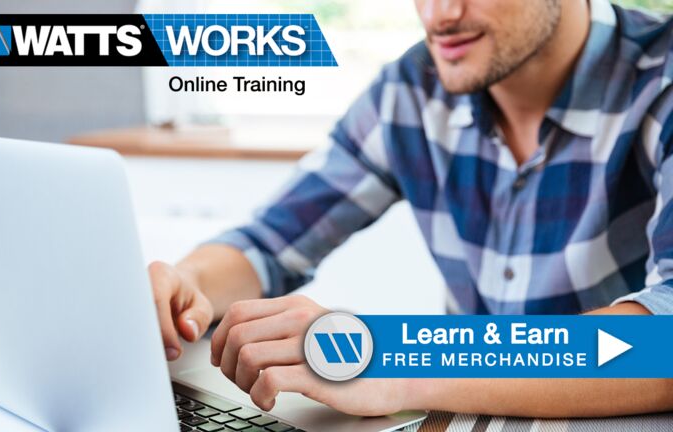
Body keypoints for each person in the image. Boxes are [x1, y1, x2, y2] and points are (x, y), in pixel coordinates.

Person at [148, 0, 673, 417]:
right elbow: (268, 243)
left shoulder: (661, 80)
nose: (437, 15)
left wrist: (402, 358)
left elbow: (665, 343)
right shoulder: (411, 90)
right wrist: (186, 283)